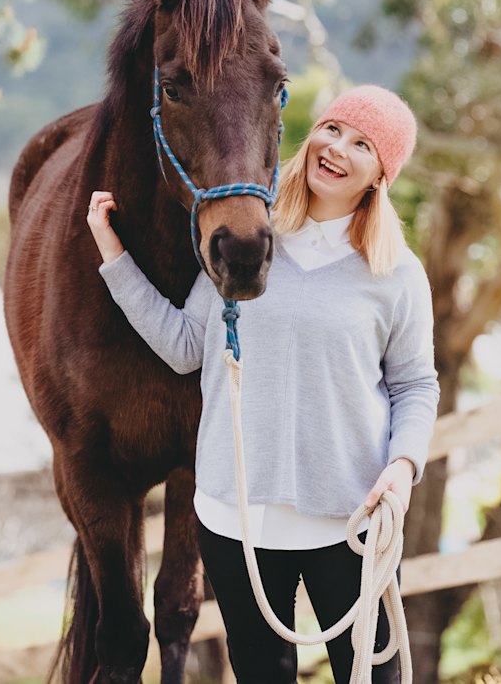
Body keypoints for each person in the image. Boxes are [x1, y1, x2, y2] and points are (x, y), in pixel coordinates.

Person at [87, 84, 440, 684]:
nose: (338, 148)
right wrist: (112, 254)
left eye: (363, 145)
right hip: (237, 522)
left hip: (350, 521)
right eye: (333, 129)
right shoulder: (246, 243)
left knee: (378, 676)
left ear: (381, 174)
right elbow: (183, 348)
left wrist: (404, 466)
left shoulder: (396, 274)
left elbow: (415, 386)